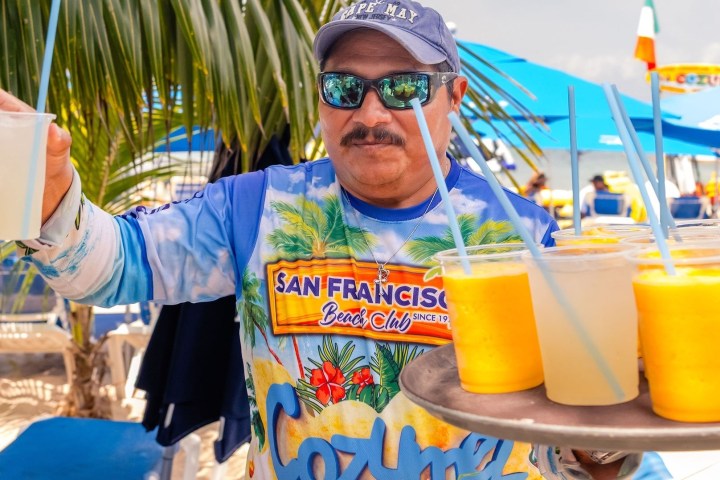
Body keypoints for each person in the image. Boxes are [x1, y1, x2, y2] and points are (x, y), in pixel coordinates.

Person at [2, 1, 669, 478]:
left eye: (405, 87)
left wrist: (600, 453)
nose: (371, 113)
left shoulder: (525, 233)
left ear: (454, 96)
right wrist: (53, 197)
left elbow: (562, 437)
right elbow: (111, 269)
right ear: (323, 100)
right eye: (346, 87)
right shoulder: (256, 206)